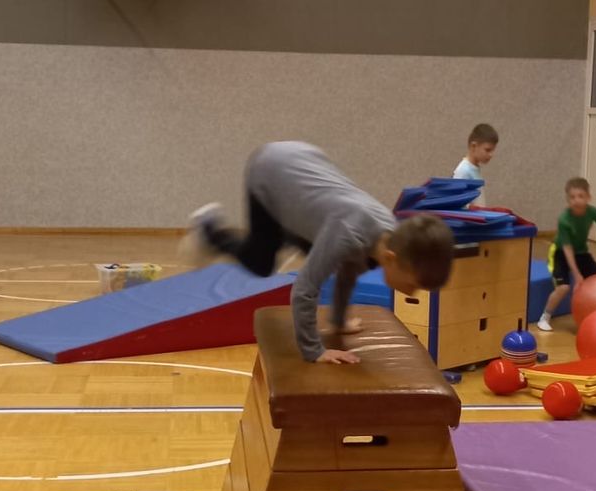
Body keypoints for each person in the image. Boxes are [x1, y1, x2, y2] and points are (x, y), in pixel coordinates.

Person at [189, 141, 455, 365]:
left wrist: (338, 321)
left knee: (325, 249)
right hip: (269, 171)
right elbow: (304, 290)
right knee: (261, 263)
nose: (411, 293)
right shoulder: (348, 234)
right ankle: (210, 230)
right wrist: (314, 350)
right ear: (391, 259)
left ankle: (289, 231)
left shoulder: (388, 237)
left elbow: (349, 270)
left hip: (304, 163)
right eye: (412, 284)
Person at [538, 176, 596, 332]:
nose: (576, 200)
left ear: (588, 197)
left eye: (581, 196)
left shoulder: (593, 212)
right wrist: (577, 275)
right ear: (568, 200)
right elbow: (568, 249)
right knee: (563, 288)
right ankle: (545, 317)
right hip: (561, 252)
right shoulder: (564, 219)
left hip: (581, 252)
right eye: (572, 197)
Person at [452, 123, 499, 207]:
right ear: (474, 146)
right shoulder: (463, 170)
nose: (491, 155)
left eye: (493, 150)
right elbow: (457, 202)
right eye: (487, 150)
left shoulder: (474, 168)